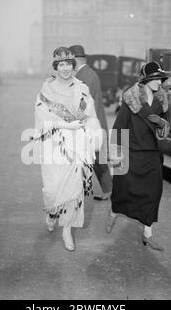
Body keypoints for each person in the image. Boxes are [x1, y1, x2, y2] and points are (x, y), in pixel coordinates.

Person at [32, 47, 102, 252]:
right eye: (61, 64)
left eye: (69, 64)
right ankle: (52, 212)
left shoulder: (82, 88)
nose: (65, 68)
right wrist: (65, 125)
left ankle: (67, 231)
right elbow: (42, 120)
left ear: (73, 66)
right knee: (52, 190)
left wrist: (92, 134)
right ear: (56, 67)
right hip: (53, 146)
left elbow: (90, 115)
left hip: (77, 146)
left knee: (74, 191)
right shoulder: (46, 90)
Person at [106, 61, 170, 252]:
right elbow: (118, 128)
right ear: (146, 79)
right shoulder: (131, 99)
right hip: (131, 153)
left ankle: (147, 234)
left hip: (152, 154)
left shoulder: (161, 101)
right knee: (123, 190)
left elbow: (167, 129)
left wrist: (161, 123)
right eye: (156, 79)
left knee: (153, 193)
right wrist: (115, 154)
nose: (160, 82)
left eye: (161, 79)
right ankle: (113, 212)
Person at [69, 45, 113, 201]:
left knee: (88, 157)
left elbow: (81, 104)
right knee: (97, 158)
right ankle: (110, 190)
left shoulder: (83, 76)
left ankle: (74, 194)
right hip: (95, 122)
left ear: (75, 58)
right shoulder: (89, 73)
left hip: (89, 124)